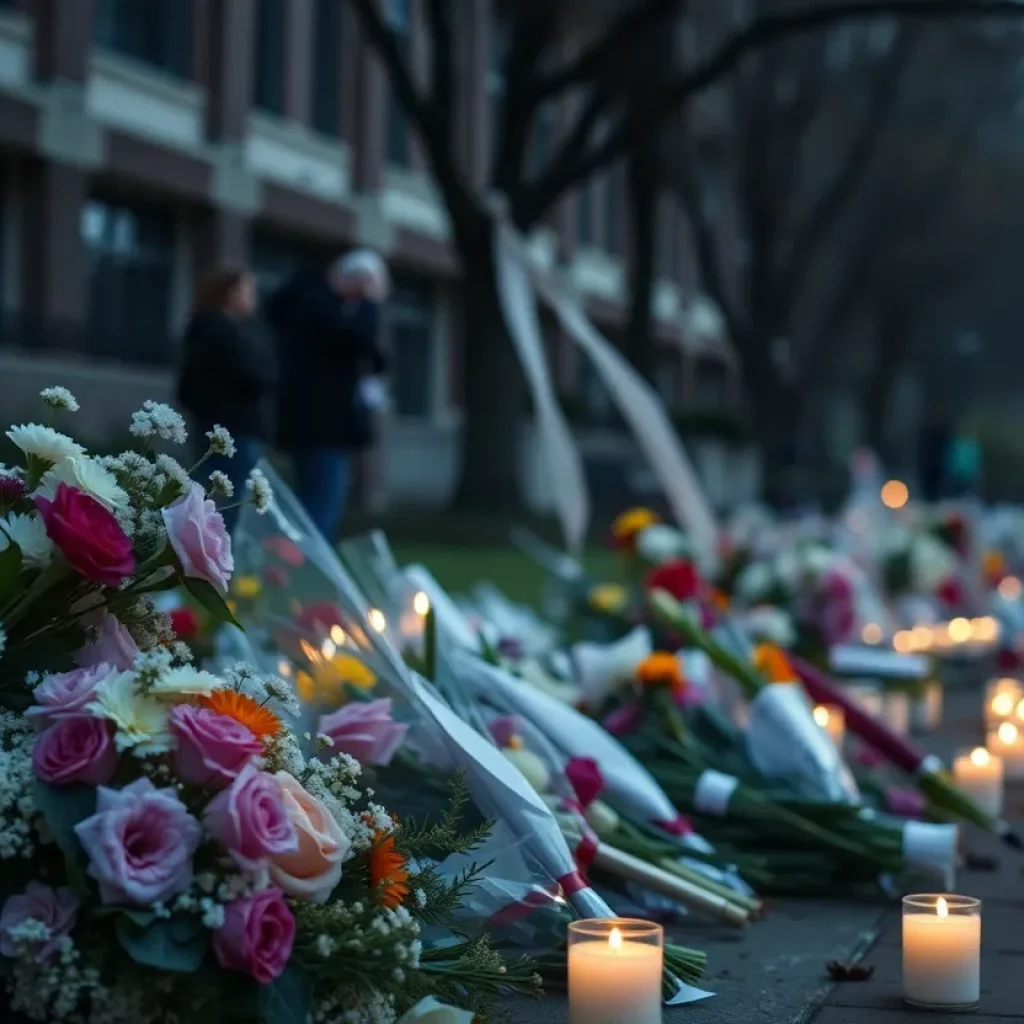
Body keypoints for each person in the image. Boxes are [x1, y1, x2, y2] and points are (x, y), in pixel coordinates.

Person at [267, 250, 389, 540]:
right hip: (324, 427)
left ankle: (295, 569)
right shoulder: (320, 308)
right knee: (321, 508)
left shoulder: (304, 304)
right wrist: (370, 304)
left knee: (311, 503)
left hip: (308, 425)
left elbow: (373, 357)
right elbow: (360, 341)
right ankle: (308, 574)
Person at [177, 266, 273, 522]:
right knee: (229, 505)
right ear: (230, 293)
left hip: (212, 427)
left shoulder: (203, 330)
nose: (254, 298)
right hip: (235, 431)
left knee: (205, 496)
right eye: (248, 291)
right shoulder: (223, 334)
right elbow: (253, 375)